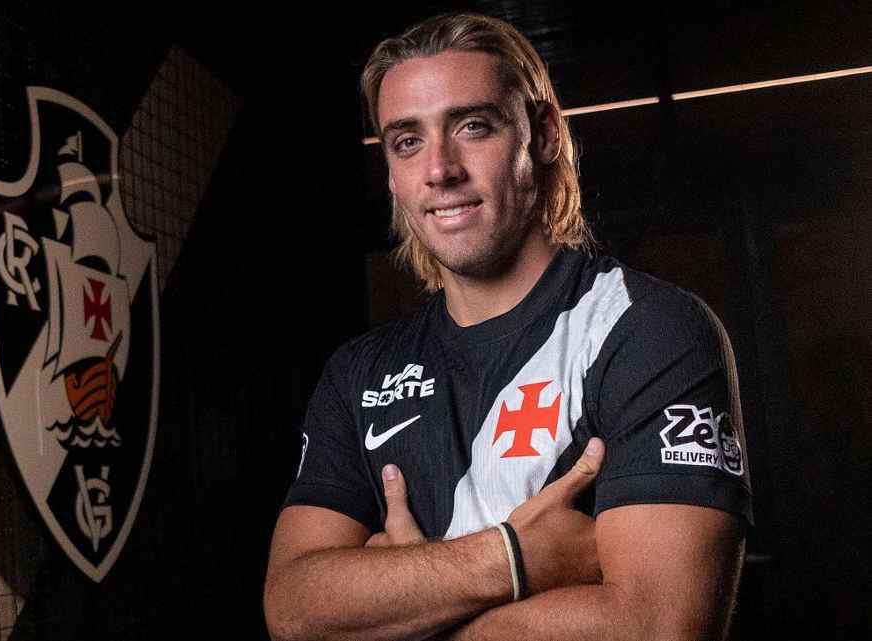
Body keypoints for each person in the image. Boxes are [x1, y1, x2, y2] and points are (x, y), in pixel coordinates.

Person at [263, 11, 753, 641]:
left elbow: (661, 625)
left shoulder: (645, 329)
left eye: (473, 127)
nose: (440, 169)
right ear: (390, 171)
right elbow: (294, 609)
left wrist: (400, 610)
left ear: (543, 134)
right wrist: (512, 559)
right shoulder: (358, 373)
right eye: (407, 141)